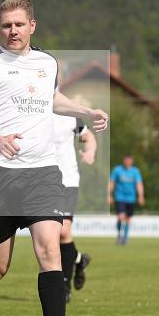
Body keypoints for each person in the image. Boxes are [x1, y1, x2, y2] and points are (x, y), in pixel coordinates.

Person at [0, 0, 108, 316]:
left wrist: (86, 111)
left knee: (49, 249)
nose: (13, 31)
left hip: (42, 173)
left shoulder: (47, 62)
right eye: (6, 25)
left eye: (19, 24)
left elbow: (53, 99)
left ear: (32, 26)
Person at [53, 112, 96, 303]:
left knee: (62, 231)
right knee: (49, 235)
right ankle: (78, 259)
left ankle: (64, 286)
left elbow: (88, 137)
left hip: (67, 180)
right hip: (40, 180)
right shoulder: (35, 109)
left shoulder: (70, 116)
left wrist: (90, 152)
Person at [109, 155, 144, 245]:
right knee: (121, 217)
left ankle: (125, 238)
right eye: (126, 161)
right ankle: (120, 235)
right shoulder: (117, 170)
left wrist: (141, 196)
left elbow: (139, 184)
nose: (127, 162)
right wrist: (109, 195)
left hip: (131, 198)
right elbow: (111, 183)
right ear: (123, 161)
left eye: (129, 161)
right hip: (120, 197)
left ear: (131, 161)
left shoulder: (135, 171)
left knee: (128, 218)